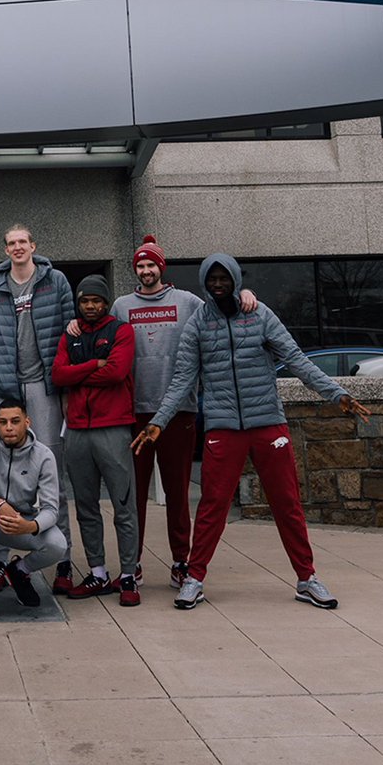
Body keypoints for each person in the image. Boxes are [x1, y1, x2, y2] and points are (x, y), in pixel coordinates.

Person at [133, 253, 371, 611]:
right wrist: (158, 422)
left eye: (223, 278)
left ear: (234, 279)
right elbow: (183, 379)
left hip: (268, 425)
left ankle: (307, 578)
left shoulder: (259, 314)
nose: (218, 284)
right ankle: (194, 578)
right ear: (204, 282)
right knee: (212, 506)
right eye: (211, 279)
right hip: (223, 428)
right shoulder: (197, 323)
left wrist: (336, 393)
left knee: (287, 504)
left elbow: (296, 359)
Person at [108, 234, 255, 589]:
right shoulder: (121, 306)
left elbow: (224, 306)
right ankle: (133, 563)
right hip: (135, 415)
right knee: (133, 495)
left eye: (150, 265)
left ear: (161, 267)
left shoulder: (188, 302)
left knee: (177, 493)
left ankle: (180, 561)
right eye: (140, 265)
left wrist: (246, 295)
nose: (145, 270)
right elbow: (102, 335)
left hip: (179, 413)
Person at [0, 223, 75, 593]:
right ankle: (2, 562)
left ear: (33, 246)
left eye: (23, 242)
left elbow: (71, 329)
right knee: (0, 477)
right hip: (5, 388)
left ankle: (62, 560)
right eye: (11, 243)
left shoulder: (56, 281)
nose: (17, 248)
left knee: (51, 475)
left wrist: (59, 371)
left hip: (44, 387)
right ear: (5, 250)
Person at [52, 275, 140, 606]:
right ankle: (98, 572)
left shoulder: (121, 331)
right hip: (75, 430)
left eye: (96, 301)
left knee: (122, 505)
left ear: (106, 302)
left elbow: (117, 372)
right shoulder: (70, 334)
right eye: (84, 301)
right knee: (86, 506)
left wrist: (79, 375)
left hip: (113, 427)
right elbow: (57, 375)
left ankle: (129, 574)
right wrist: (92, 365)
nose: (90, 306)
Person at [0, 396, 67, 623]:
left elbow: (51, 509)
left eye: (15, 421)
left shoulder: (44, 455)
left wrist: (31, 525)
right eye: (2, 422)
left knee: (58, 544)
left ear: (27, 422)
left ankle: (19, 570)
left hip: (22, 523)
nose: (8, 428)